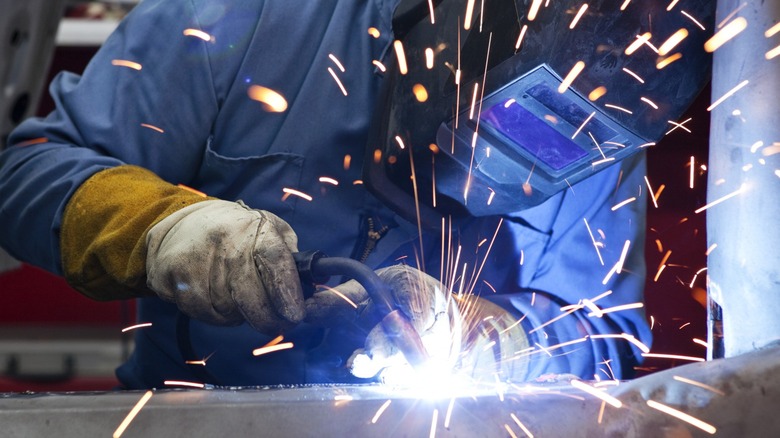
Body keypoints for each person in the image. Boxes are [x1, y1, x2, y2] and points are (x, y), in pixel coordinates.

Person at [0, 0, 650, 389]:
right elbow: (25, 174)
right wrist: (166, 229)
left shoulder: (606, 105)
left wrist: (490, 333)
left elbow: (606, 332)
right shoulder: (247, 16)